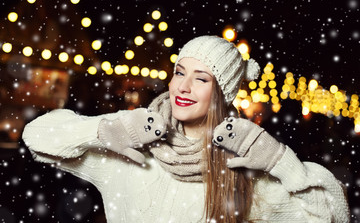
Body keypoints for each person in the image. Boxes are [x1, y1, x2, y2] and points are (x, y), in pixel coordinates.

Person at [22, 35, 350, 223]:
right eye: (180, 72)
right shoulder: (133, 148)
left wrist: (282, 162)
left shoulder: (244, 173)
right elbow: (37, 138)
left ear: (222, 94)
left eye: (202, 78)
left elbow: (331, 216)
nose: (184, 86)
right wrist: (104, 129)